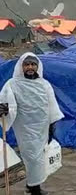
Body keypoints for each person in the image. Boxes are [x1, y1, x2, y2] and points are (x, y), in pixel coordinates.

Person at [0, 53, 65, 195]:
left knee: (39, 158)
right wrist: (4, 109)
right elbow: (5, 103)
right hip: (25, 128)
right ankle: (34, 189)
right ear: (21, 67)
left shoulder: (44, 84)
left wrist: (51, 127)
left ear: (37, 66)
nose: (30, 67)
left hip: (42, 127)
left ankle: (32, 187)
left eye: (33, 64)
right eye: (27, 64)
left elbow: (51, 106)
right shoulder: (12, 84)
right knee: (32, 157)